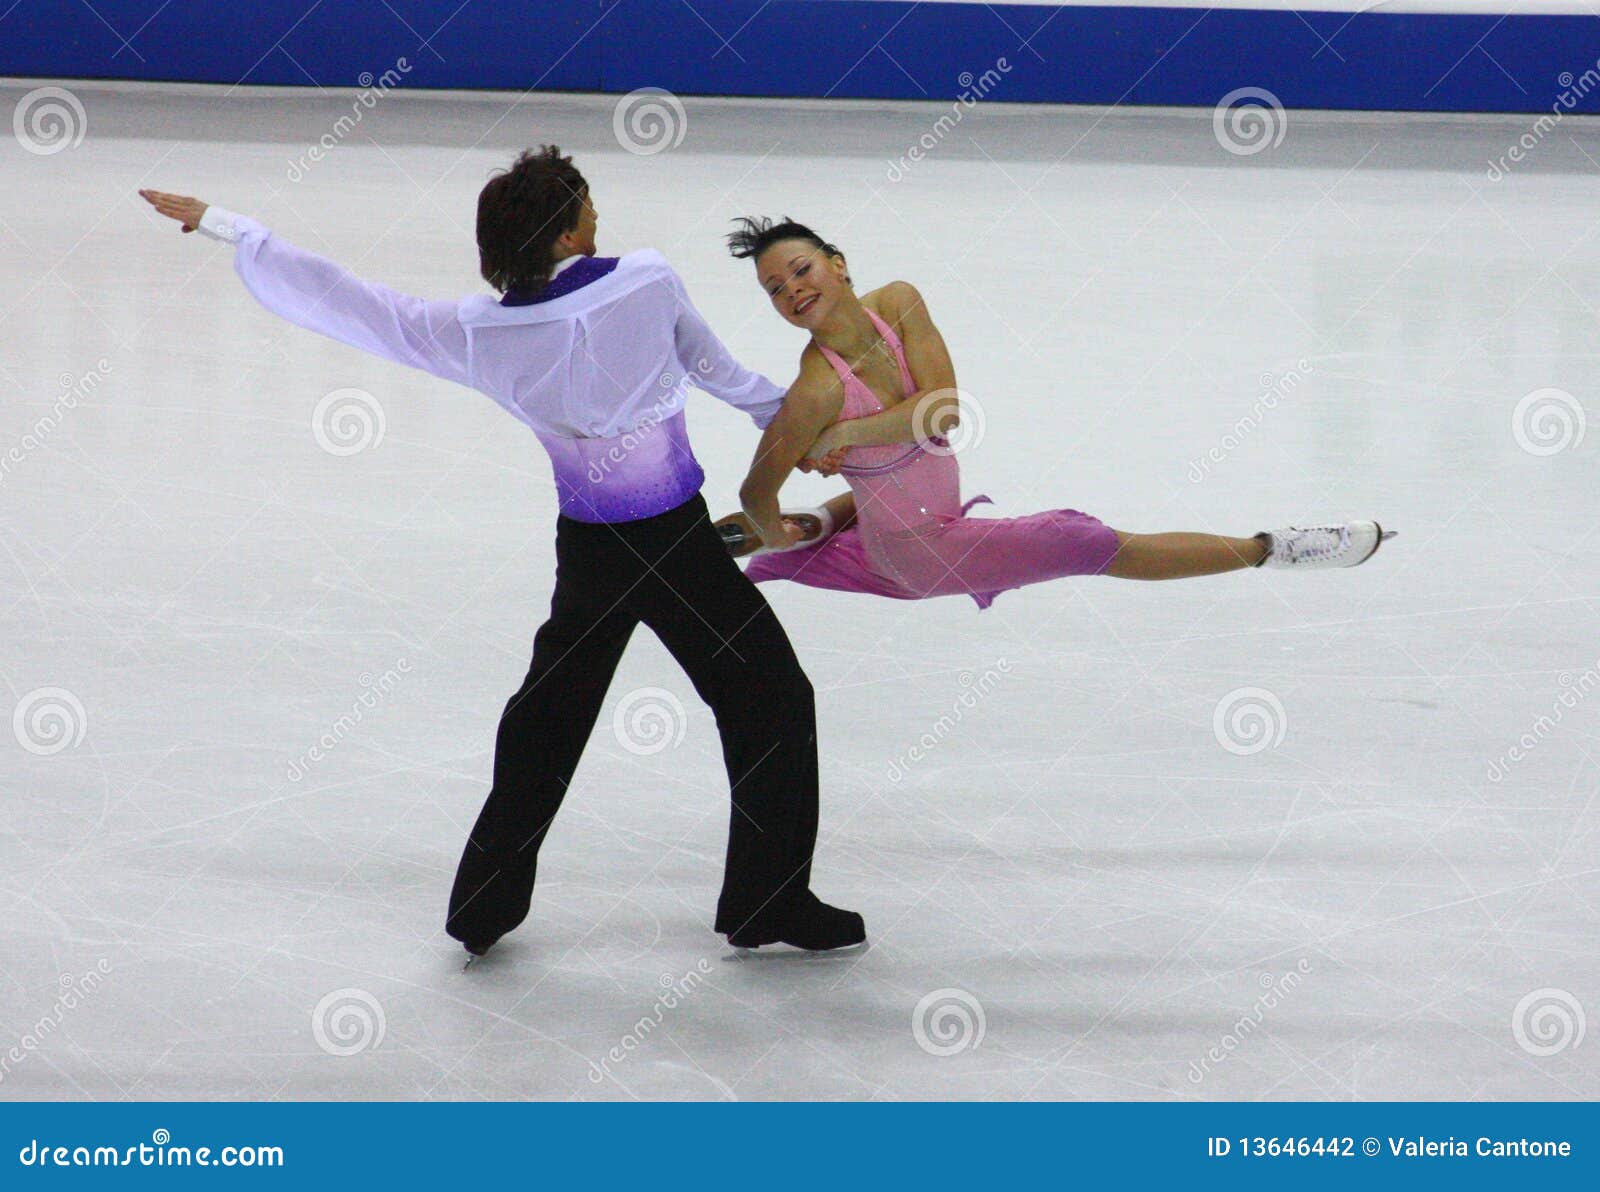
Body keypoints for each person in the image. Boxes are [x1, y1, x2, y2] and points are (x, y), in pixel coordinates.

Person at [138, 152, 866, 957]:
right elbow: (722, 376)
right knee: (772, 698)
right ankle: (769, 901)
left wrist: (231, 228)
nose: (598, 213)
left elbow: (356, 305)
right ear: (565, 230)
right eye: (587, 203)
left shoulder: (479, 331)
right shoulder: (648, 279)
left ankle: (482, 907)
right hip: (675, 546)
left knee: (546, 724)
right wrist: (834, 435)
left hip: (591, 550)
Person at [715, 217, 1392, 608]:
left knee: (848, 508)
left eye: (801, 270)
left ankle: (747, 539)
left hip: (906, 511)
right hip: (921, 553)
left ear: (838, 264)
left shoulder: (897, 303)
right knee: (1084, 542)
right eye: (775, 288)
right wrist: (799, 473)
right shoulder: (815, 390)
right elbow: (756, 488)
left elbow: (944, 411)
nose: (793, 291)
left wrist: (846, 436)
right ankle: (1273, 550)